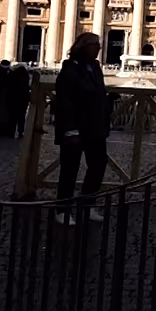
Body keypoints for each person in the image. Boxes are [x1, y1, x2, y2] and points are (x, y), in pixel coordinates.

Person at [53, 34, 110, 225]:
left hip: (95, 128)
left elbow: (98, 94)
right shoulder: (70, 69)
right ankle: (62, 210)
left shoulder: (95, 68)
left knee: (98, 165)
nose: (99, 49)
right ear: (83, 47)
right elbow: (65, 102)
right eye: (95, 45)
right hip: (75, 129)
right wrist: (70, 129)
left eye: (99, 45)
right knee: (69, 170)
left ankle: (87, 205)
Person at [6, 65, 32, 139]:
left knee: (12, 116)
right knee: (21, 116)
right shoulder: (26, 78)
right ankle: (20, 131)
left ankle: (11, 131)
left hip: (13, 99)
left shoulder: (13, 77)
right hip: (23, 100)